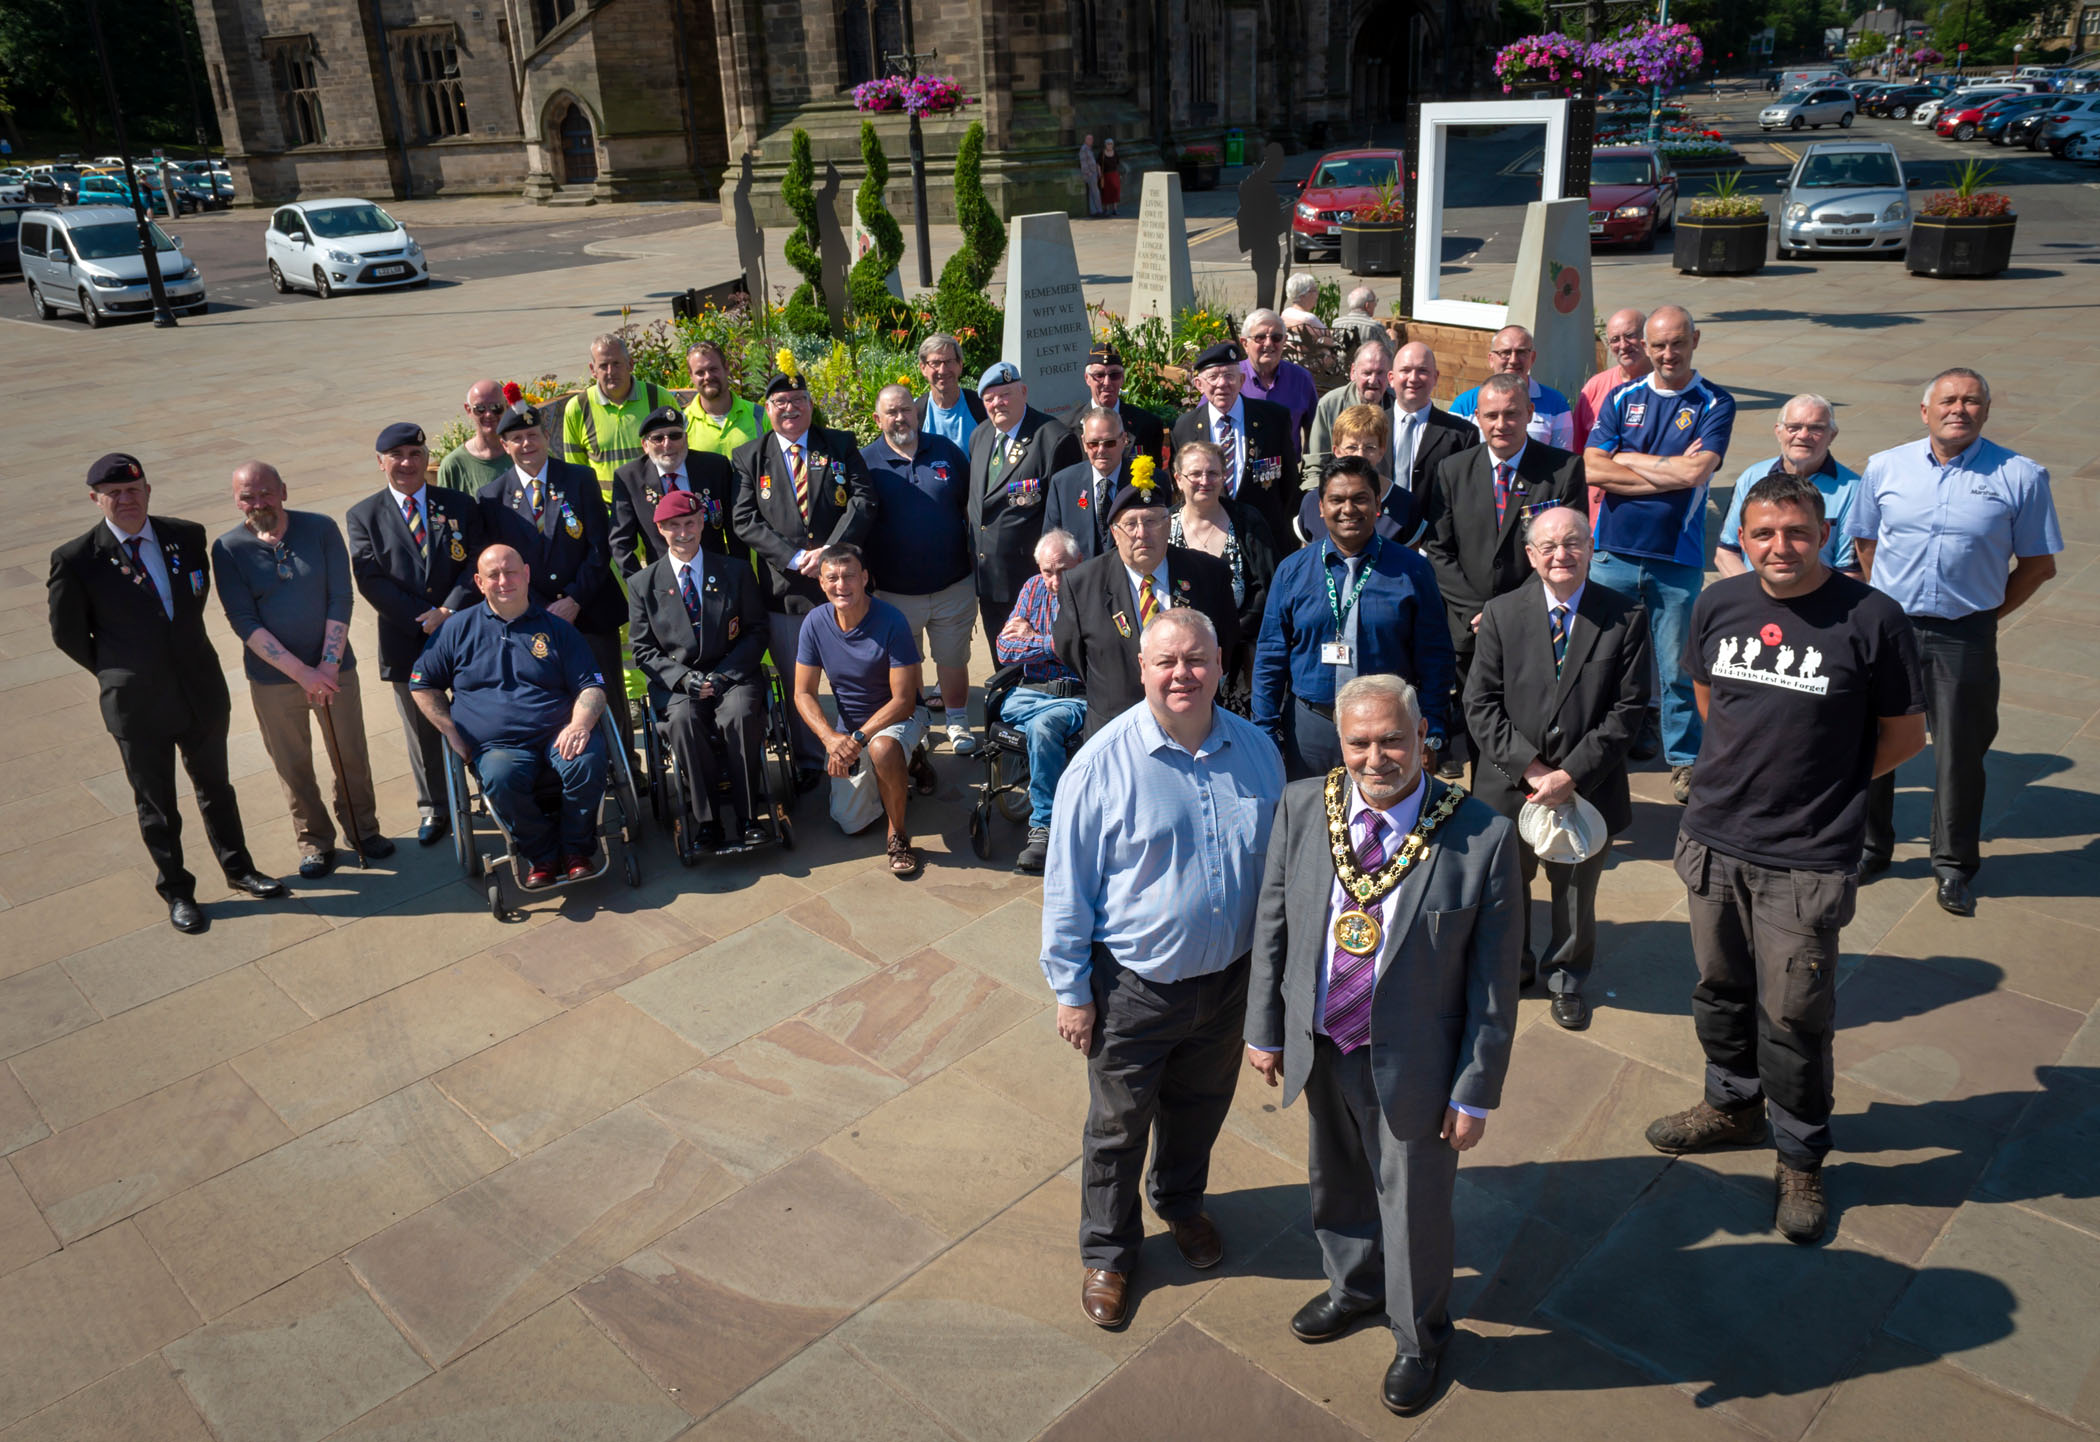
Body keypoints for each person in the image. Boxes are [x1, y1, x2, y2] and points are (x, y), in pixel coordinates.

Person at [1645, 471, 1926, 1246]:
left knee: (1796, 1016)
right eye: (1763, 533)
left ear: (1824, 532)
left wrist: (1825, 786)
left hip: (1804, 858)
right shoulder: (1718, 604)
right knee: (1718, 988)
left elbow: (1905, 738)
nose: (1779, 547)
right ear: (1745, 535)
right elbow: (1709, 699)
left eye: (1796, 532)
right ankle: (1730, 1105)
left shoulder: (1874, 620)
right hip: (1713, 838)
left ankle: (1801, 1154)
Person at [1244, 673, 1520, 1416]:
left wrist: (1474, 1087)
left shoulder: (1482, 836)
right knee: (1333, 1180)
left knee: (1415, 1209)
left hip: (1419, 1065)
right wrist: (1264, 1028)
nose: (1377, 757)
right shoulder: (1306, 806)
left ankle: (1420, 1337)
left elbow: (1494, 985)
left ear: (1423, 734)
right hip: (1324, 1039)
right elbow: (1274, 923)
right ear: (1341, 742)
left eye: (1393, 739)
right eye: (1360, 742)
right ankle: (1355, 1288)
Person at [1041, 607, 1285, 1330]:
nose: (1183, 674)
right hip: (1134, 989)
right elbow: (1067, 886)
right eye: (1167, 662)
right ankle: (1109, 1253)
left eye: (1197, 660)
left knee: (1198, 1112)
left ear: (1220, 665)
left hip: (1228, 984)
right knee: (1118, 1128)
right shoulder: (1101, 763)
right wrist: (1071, 992)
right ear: (1143, 669)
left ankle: (1180, 1204)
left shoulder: (1257, 751)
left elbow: (1276, 873)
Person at [1850, 367, 2061, 915]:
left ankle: (1953, 865)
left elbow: (2038, 565)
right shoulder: (1885, 467)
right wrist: (1884, 604)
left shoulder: (2022, 475)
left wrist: (1988, 613)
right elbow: (1866, 544)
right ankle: (1871, 847)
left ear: (1986, 412)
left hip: (1963, 634)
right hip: (1889, 628)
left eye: (1971, 401)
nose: (1958, 410)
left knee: (1959, 754)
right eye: (1948, 400)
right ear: (1925, 411)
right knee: (1871, 741)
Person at [49, 454, 289, 934]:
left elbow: (194, 600)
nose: (125, 500)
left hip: (198, 690)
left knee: (216, 788)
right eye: (113, 493)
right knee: (157, 803)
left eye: (133, 490)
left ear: (148, 491)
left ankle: (239, 869)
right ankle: (178, 891)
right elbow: (68, 634)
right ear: (96, 499)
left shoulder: (185, 535)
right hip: (137, 704)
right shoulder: (77, 560)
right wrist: (119, 671)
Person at [1463, 506, 1651, 1028]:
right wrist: (1533, 769)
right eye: (1548, 546)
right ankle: (1514, 966)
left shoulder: (1625, 616)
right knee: (1507, 885)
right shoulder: (1502, 613)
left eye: (1573, 544)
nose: (1561, 555)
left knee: (1574, 890)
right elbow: (1480, 703)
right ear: (1530, 555)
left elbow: (1628, 710)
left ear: (1591, 549)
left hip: (1588, 785)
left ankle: (1566, 978)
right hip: (1509, 783)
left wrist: (1570, 775)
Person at [1585, 305, 1737, 804]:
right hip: (1613, 553)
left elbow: (1696, 475)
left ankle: (1686, 761)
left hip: (1677, 556)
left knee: (1677, 668)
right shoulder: (1622, 397)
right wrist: (1665, 468)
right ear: (1646, 348)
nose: (1668, 353)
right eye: (1659, 345)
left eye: (1678, 343)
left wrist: (1626, 458)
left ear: (1696, 339)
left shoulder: (1716, 402)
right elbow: (1591, 467)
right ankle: (1596, 750)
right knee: (1600, 660)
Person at [213, 461, 391, 880]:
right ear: (237, 501)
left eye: (266, 493)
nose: (258, 503)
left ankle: (363, 830)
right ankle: (314, 841)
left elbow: (340, 597)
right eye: (247, 496)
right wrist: (302, 673)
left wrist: (327, 664)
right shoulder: (228, 549)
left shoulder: (321, 529)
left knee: (350, 754)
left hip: (334, 670)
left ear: (284, 491)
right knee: (292, 764)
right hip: (274, 680)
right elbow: (243, 620)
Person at [409, 545, 611, 889]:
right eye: (494, 575)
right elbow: (422, 684)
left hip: (557, 734)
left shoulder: (558, 629)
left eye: (512, 572)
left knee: (587, 762)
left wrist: (579, 724)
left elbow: (592, 687)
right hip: (496, 745)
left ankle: (576, 850)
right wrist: (451, 732)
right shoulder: (456, 629)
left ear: (527, 574)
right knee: (502, 778)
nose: (504, 581)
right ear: (479, 581)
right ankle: (542, 854)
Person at [1423, 373, 1587, 780]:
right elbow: (1439, 549)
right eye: (1491, 415)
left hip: (1536, 622)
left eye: (1512, 414)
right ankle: (1487, 803)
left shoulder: (1562, 470)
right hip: (1470, 625)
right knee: (1480, 722)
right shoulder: (1452, 470)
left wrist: (1511, 611)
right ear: (1476, 416)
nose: (1501, 424)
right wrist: (1481, 612)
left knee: (1534, 722)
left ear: (1529, 413)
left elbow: (1566, 551)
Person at [1253, 457, 1454, 780]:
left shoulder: (1412, 570)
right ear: (1320, 507)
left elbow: (1435, 655)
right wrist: (1264, 731)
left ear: (1377, 505)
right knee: (1313, 819)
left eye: (1360, 499)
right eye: (1337, 500)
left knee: (1386, 824)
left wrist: (1431, 728)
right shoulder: (1292, 570)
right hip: (1311, 729)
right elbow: (1271, 656)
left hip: (1387, 732)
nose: (1349, 509)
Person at [732, 370, 878, 788]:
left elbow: (864, 501)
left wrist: (831, 555)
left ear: (810, 404)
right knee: (802, 685)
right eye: (780, 402)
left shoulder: (840, 444)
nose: (790, 408)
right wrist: (795, 558)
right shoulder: (749, 457)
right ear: (768, 410)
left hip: (844, 587)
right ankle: (815, 762)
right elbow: (744, 520)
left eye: (798, 399)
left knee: (861, 676)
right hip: (787, 593)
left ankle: (869, 752)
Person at [346, 421, 488, 846]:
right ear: (380, 463)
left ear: (427, 458)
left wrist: (449, 610)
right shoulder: (363, 515)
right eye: (397, 456)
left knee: (481, 712)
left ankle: (494, 786)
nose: (406, 463)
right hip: (406, 639)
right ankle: (435, 807)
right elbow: (370, 579)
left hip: (462, 632)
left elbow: (476, 560)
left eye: (414, 454)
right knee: (422, 728)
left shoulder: (458, 503)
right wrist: (425, 615)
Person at [479, 402, 629, 761]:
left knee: (606, 691)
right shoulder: (492, 497)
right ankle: (576, 765)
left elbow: (599, 547)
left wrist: (574, 600)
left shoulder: (578, 479)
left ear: (547, 437)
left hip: (590, 609)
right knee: (557, 698)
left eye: (533, 435)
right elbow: (501, 566)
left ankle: (625, 764)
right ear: (505, 446)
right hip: (534, 618)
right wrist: (543, 609)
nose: (527, 444)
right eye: (517, 438)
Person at [628, 491, 771, 850]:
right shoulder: (643, 584)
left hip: (733, 675)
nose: (683, 532)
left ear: (702, 522)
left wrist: (724, 675)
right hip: (679, 682)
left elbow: (756, 631)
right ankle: (706, 822)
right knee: (683, 722)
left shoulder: (735, 571)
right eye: (673, 526)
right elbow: (643, 649)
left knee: (739, 714)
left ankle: (749, 816)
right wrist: (684, 680)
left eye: (690, 523)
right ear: (660, 528)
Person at [1053, 476, 1241, 738]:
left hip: (1193, 726)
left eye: (1152, 521)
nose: (1142, 533)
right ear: (1115, 533)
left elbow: (1226, 645)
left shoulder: (1209, 574)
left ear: (1168, 525)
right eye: (1130, 524)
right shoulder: (1082, 584)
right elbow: (1070, 652)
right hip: (1114, 729)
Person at [793, 544, 931, 875]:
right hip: (850, 728)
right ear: (821, 583)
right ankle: (906, 766)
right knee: (850, 823)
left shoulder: (891, 620)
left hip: (900, 718)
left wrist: (856, 739)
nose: (842, 585)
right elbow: (802, 693)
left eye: (850, 576)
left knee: (883, 747)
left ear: (865, 578)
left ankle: (898, 834)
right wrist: (830, 739)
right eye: (833, 578)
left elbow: (904, 701)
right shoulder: (814, 623)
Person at [861, 384, 979, 754]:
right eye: (891, 413)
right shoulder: (866, 461)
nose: (900, 418)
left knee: (953, 658)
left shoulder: (944, 451)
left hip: (952, 585)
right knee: (905, 664)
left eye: (906, 410)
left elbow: (968, 506)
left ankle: (957, 722)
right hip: (894, 591)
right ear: (878, 419)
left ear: (917, 412)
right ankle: (918, 722)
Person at [995, 530, 1090, 873]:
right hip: (1029, 693)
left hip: (1074, 696)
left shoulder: (1094, 591)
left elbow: (1089, 653)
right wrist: (1057, 645)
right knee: (1013, 708)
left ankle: (1042, 826)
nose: (1053, 581)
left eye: (1062, 570)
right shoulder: (1033, 588)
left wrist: (1036, 638)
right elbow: (1005, 650)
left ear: (1080, 563)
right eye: (1047, 571)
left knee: (1044, 725)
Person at [968, 360, 1080, 643]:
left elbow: (1064, 517)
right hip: (989, 580)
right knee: (1001, 660)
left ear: (1024, 392)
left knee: (1034, 663)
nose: (998, 404)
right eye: (989, 398)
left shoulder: (1053, 438)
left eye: (1005, 394)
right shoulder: (980, 436)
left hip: (1031, 582)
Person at [1171, 440, 1279, 706]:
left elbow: (1267, 585)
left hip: (1240, 660)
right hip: (1176, 658)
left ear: (1224, 476)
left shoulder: (1247, 521)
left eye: (1213, 473)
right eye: (1195, 474)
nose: (1204, 481)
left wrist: (1227, 636)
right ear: (1178, 479)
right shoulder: (1163, 527)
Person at [1171, 341, 1300, 557]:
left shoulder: (1273, 419)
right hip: (1208, 545)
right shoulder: (1183, 427)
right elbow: (1182, 489)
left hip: (1265, 541)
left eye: (1229, 376)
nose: (1222, 384)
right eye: (1213, 377)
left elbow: (1289, 483)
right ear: (1199, 384)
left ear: (1241, 380)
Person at [1715, 395, 1860, 580]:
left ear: (1832, 435)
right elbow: (1726, 552)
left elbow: (1851, 571)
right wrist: (1752, 598)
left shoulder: (1853, 490)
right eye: (1794, 427)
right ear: (1778, 432)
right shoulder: (1751, 477)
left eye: (1816, 428)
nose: (1803, 435)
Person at [611, 404, 740, 577]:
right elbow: (620, 543)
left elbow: (735, 529)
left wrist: (738, 577)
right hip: (662, 581)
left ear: (686, 438)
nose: (667, 444)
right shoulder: (629, 478)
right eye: (657, 438)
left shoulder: (715, 467)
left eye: (675, 436)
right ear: (645, 445)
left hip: (716, 574)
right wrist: (641, 587)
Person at [561, 333, 675, 497]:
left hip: (656, 505)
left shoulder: (659, 398)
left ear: (630, 364)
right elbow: (575, 472)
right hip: (607, 511)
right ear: (593, 370)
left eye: (616, 363)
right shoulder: (578, 408)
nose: (610, 371)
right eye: (603, 365)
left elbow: (681, 450)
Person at [1300, 405, 1423, 547]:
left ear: (1381, 451)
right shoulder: (1312, 502)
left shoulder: (1405, 504)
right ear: (1337, 451)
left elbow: (1411, 563)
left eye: (1369, 448)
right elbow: (1305, 558)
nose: (1360, 455)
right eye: (1351, 447)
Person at [1387, 342, 1478, 520]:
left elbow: (1466, 496)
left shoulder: (1462, 434)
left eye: (1422, 371)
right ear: (1391, 377)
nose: (1413, 378)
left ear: (1435, 377)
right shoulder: (1370, 426)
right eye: (1405, 370)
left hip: (1434, 539)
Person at [1448, 326, 1574, 450]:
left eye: (1521, 352)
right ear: (1491, 359)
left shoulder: (1556, 403)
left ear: (1533, 358)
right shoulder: (1464, 404)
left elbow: (1563, 460)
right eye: (1505, 353)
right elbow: (1454, 458)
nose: (1513, 360)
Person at [1043, 404, 1129, 561]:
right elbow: (1051, 543)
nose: (1101, 450)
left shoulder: (1148, 480)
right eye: (1093, 444)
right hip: (1082, 580)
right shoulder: (1063, 484)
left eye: (1109, 443)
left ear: (1123, 440)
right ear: (1083, 443)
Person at [1305, 338, 1393, 481]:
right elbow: (1316, 467)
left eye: (1380, 373)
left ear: (1390, 376)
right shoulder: (1330, 405)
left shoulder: (1399, 408)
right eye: (1367, 373)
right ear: (1353, 372)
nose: (1373, 380)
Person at [1572, 308, 1649, 454]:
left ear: (1647, 337)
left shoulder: (1666, 385)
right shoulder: (1594, 387)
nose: (1623, 345)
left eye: (1630, 336)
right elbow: (1577, 449)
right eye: (1615, 340)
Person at [1238, 308, 1319, 445]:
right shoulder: (1228, 378)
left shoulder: (1301, 379)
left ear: (1284, 341)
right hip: (1242, 464)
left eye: (1276, 337)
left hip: (1287, 464)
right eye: (1260, 337)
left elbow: (1315, 429)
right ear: (1245, 343)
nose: (1269, 343)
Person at [1082, 343, 1167, 469]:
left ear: (1122, 378)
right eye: (1099, 375)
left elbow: (1155, 478)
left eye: (1114, 375)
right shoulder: (1068, 427)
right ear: (1087, 379)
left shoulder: (1148, 425)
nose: (1107, 382)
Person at [682, 340, 765, 461]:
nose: (708, 377)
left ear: (726, 368)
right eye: (700, 372)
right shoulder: (682, 425)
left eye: (713, 369)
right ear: (691, 376)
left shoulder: (760, 416)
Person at [436, 379, 515, 493]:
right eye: (480, 408)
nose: (488, 414)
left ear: (507, 407)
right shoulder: (454, 465)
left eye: (496, 407)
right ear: (468, 410)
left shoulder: (521, 453)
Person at [918, 333, 986, 451]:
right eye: (935, 363)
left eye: (949, 361)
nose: (943, 370)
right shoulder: (915, 413)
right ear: (923, 368)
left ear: (960, 365)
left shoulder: (981, 407)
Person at [1098, 137, 1123, 217]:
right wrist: (1099, 174)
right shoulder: (1102, 153)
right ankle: (1106, 209)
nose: (1110, 145)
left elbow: (1118, 164)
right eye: (1108, 144)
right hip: (1105, 175)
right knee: (1106, 192)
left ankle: (1115, 209)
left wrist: (1119, 174)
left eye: (1111, 144)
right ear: (1105, 145)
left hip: (1114, 175)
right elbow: (1098, 164)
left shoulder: (1115, 153)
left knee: (1115, 191)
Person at [1079, 134, 1102, 218]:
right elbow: (1083, 162)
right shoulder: (1084, 149)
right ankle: (1099, 211)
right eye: (1089, 139)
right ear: (1085, 140)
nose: (1091, 141)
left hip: (1093, 173)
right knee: (1095, 192)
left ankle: (1094, 211)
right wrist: (1088, 173)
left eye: (1092, 139)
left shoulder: (1089, 149)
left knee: (1093, 193)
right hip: (1090, 174)